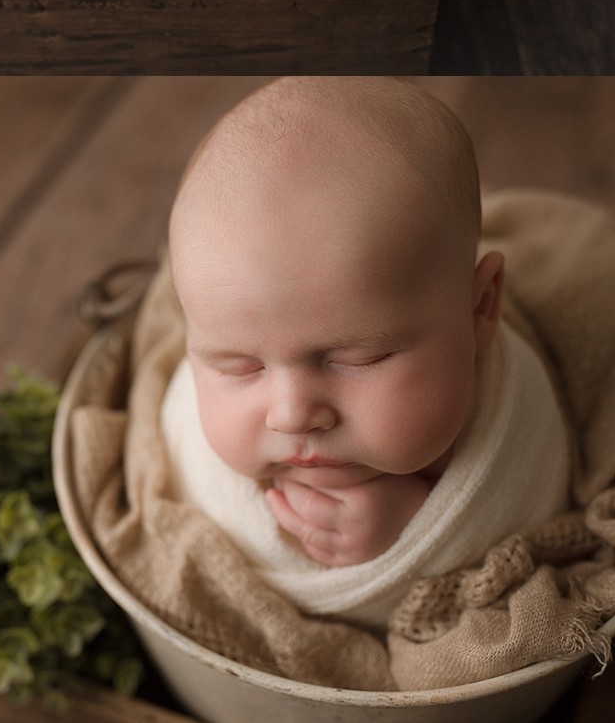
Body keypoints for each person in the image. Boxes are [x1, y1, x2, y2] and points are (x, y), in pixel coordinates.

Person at [161, 78, 571, 628]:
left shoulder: (511, 411)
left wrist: (415, 533)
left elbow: (526, 527)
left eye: (357, 359)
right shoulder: (194, 406)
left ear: (481, 309)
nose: (291, 414)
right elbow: (183, 494)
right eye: (240, 367)